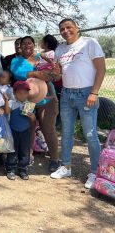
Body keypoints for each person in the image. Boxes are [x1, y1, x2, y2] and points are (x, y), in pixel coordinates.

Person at [50, 19, 106, 189]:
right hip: (67, 94)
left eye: (69, 27)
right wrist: (56, 72)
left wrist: (94, 92)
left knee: (90, 134)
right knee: (66, 133)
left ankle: (94, 172)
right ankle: (66, 166)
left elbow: (101, 69)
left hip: (86, 93)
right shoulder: (60, 49)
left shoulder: (89, 43)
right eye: (62, 29)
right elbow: (59, 75)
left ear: (77, 28)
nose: (66, 31)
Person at [11, 36, 60, 172]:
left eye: (30, 43)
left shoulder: (43, 57)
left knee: (48, 129)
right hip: (27, 100)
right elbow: (19, 74)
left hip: (47, 99)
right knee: (28, 128)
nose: (27, 46)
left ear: (33, 45)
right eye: (24, 44)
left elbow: (55, 74)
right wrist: (37, 73)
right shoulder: (16, 61)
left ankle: (55, 159)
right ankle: (28, 155)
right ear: (20, 47)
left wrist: (51, 74)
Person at [3, 81, 36, 181]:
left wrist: (32, 116)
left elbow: (34, 120)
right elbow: (7, 112)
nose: (23, 95)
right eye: (20, 93)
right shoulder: (12, 103)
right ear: (14, 93)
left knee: (24, 151)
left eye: (25, 93)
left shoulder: (29, 105)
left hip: (25, 131)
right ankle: (11, 169)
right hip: (13, 130)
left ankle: (23, 169)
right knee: (12, 150)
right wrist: (6, 101)